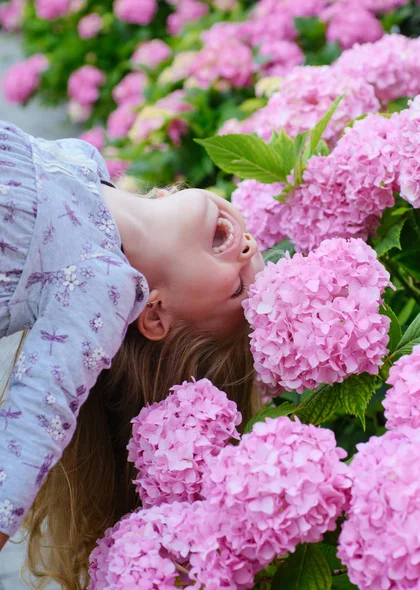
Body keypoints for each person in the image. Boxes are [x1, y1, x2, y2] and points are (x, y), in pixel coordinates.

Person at [0, 121, 264, 588]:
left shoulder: (101, 285)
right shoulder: (89, 167)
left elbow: (38, 417)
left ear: (156, 315)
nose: (249, 245)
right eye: (254, 242)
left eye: (240, 289)